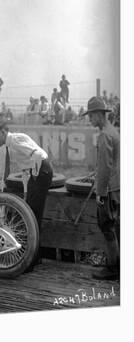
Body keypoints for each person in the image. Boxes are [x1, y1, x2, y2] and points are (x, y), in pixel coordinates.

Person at [0, 120, 53, 271]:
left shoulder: (15, 140)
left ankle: (31, 259)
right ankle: (35, 257)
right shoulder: (12, 143)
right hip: (37, 172)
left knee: (32, 216)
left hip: (40, 171)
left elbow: (38, 154)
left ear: (3, 132)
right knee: (32, 214)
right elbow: (29, 164)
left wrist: (35, 175)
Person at [82, 97, 120, 280]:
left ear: (98, 115)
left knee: (107, 226)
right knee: (115, 226)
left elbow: (106, 167)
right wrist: (95, 174)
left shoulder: (105, 135)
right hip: (117, 186)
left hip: (109, 188)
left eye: (91, 116)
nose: (90, 120)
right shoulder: (112, 131)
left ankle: (113, 268)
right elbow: (110, 162)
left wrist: (100, 193)